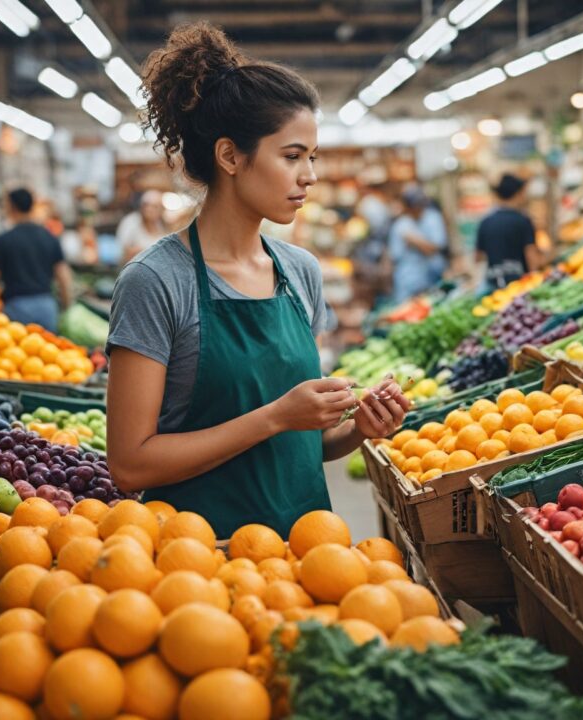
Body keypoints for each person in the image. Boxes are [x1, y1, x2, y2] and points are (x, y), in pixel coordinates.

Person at [106, 22, 409, 539]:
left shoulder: (299, 272)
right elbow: (131, 465)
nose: (309, 176)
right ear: (230, 156)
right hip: (195, 565)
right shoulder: (155, 282)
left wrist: (358, 429)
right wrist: (274, 416)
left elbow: (301, 444)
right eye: (292, 156)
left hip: (309, 555)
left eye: (311, 158)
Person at [0, 188, 73, 332]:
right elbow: (64, 278)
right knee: (49, 351)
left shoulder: (3, 240)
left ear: (11, 207)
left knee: (20, 352)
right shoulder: (50, 238)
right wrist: (66, 307)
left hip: (17, 308)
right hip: (46, 307)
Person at [475, 174, 542, 290]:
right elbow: (531, 256)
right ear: (518, 194)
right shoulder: (523, 220)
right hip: (520, 285)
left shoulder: (485, 222)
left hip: (494, 285)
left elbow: (479, 257)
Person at [388, 185, 447, 303]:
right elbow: (395, 256)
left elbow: (436, 248)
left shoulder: (432, 217)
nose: (419, 209)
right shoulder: (401, 225)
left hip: (433, 275)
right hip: (408, 280)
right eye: (415, 206)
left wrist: (415, 241)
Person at [116, 190, 167, 264]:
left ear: (161, 210)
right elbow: (124, 251)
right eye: (146, 205)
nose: (149, 209)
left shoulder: (163, 225)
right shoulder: (131, 221)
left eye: (155, 207)